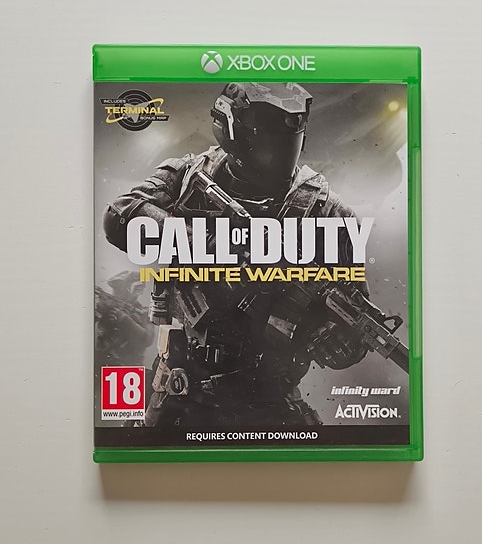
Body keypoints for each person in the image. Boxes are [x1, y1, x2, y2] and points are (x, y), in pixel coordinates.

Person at [103, 82, 369, 427]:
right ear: (232, 130)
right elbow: (119, 216)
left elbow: (357, 320)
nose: (277, 149)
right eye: (267, 135)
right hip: (180, 389)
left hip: (269, 399)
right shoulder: (187, 175)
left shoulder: (330, 213)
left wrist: (339, 344)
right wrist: (208, 244)